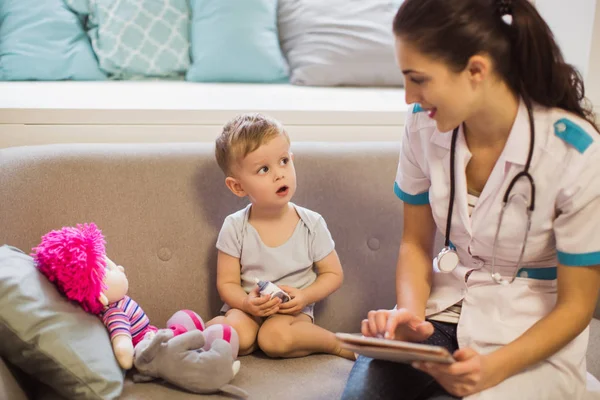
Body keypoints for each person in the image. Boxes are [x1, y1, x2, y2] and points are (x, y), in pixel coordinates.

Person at [342, 0, 600, 399]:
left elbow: (577, 306)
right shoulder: (422, 126)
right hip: (444, 315)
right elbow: (414, 242)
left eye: (419, 79)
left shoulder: (576, 154)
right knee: (366, 393)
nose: (409, 95)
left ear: (476, 70)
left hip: (527, 332)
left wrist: (493, 369)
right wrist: (409, 316)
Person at [205, 112, 355, 360]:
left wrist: (304, 296)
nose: (279, 174)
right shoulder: (235, 226)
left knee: (274, 339)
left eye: (284, 161)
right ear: (238, 186)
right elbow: (227, 283)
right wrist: (245, 304)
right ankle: (191, 335)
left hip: (291, 315)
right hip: (247, 309)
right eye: (264, 169)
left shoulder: (311, 223)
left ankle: (336, 343)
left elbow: (333, 274)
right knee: (237, 336)